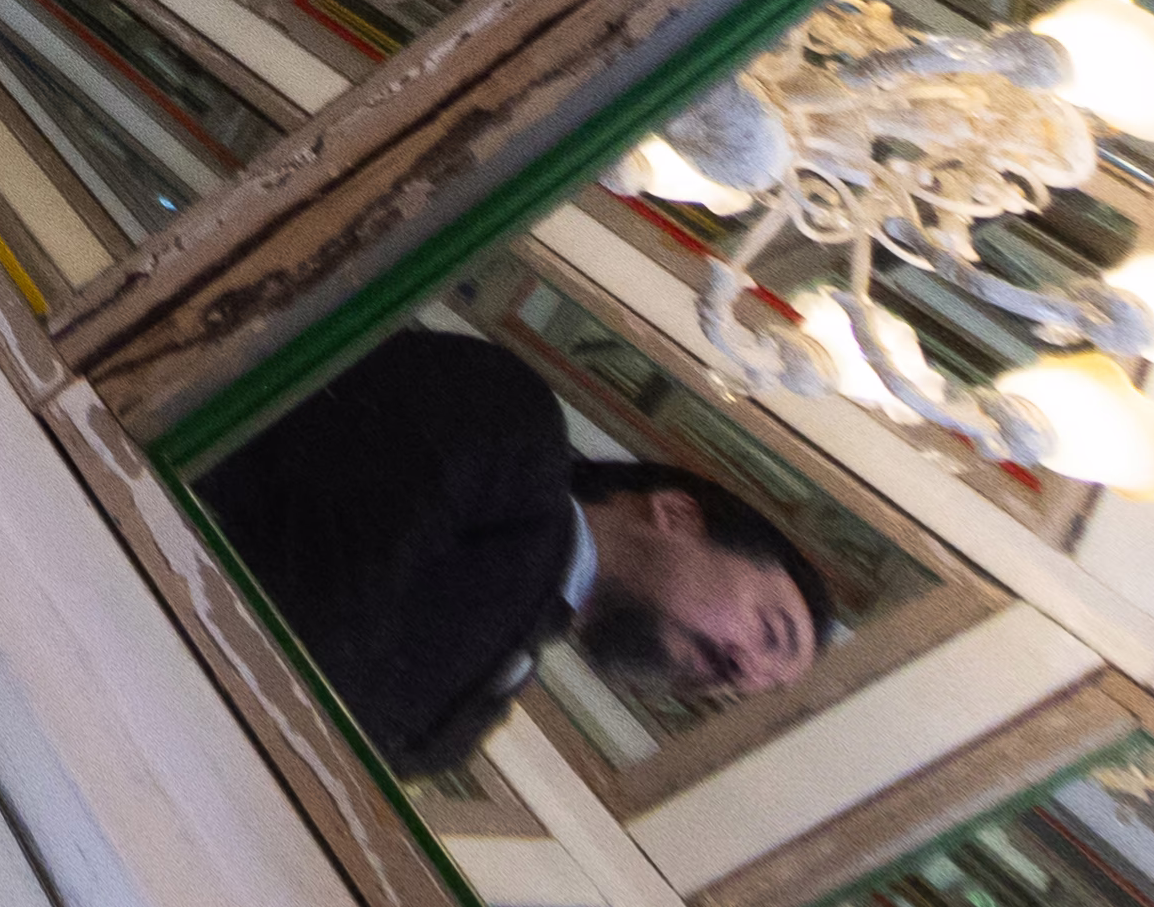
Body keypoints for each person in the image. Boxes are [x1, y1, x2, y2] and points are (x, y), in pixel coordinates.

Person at [189, 323, 832, 776]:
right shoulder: (511, 424)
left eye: (745, 692)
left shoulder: (481, 706)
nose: (740, 675)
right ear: (677, 513)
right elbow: (301, 608)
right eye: (769, 634)